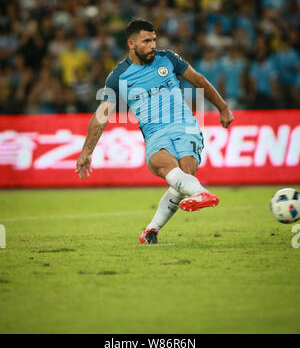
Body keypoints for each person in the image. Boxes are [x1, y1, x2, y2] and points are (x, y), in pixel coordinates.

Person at [75, 19, 234, 244]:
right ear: (131, 44)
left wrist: (223, 107)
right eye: (146, 41)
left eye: (154, 40)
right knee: (163, 165)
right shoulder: (118, 77)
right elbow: (101, 116)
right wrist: (87, 151)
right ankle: (198, 194)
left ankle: (154, 227)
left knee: (184, 174)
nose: (152, 45)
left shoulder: (167, 59)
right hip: (155, 133)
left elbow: (199, 80)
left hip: (185, 126)